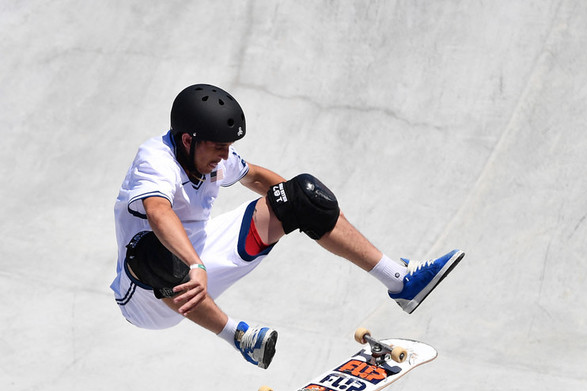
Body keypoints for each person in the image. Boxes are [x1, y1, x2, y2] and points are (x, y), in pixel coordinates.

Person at [111, 83, 464, 369]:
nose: (224, 156)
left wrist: (303, 208)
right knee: (154, 253)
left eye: (228, 148)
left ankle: (402, 281)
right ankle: (241, 337)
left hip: (202, 255)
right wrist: (195, 264)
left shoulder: (215, 155)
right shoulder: (155, 160)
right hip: (147, 296)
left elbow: (259, 177)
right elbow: (158, 213)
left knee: (301, 194)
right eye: (218, 148)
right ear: (188, 140)